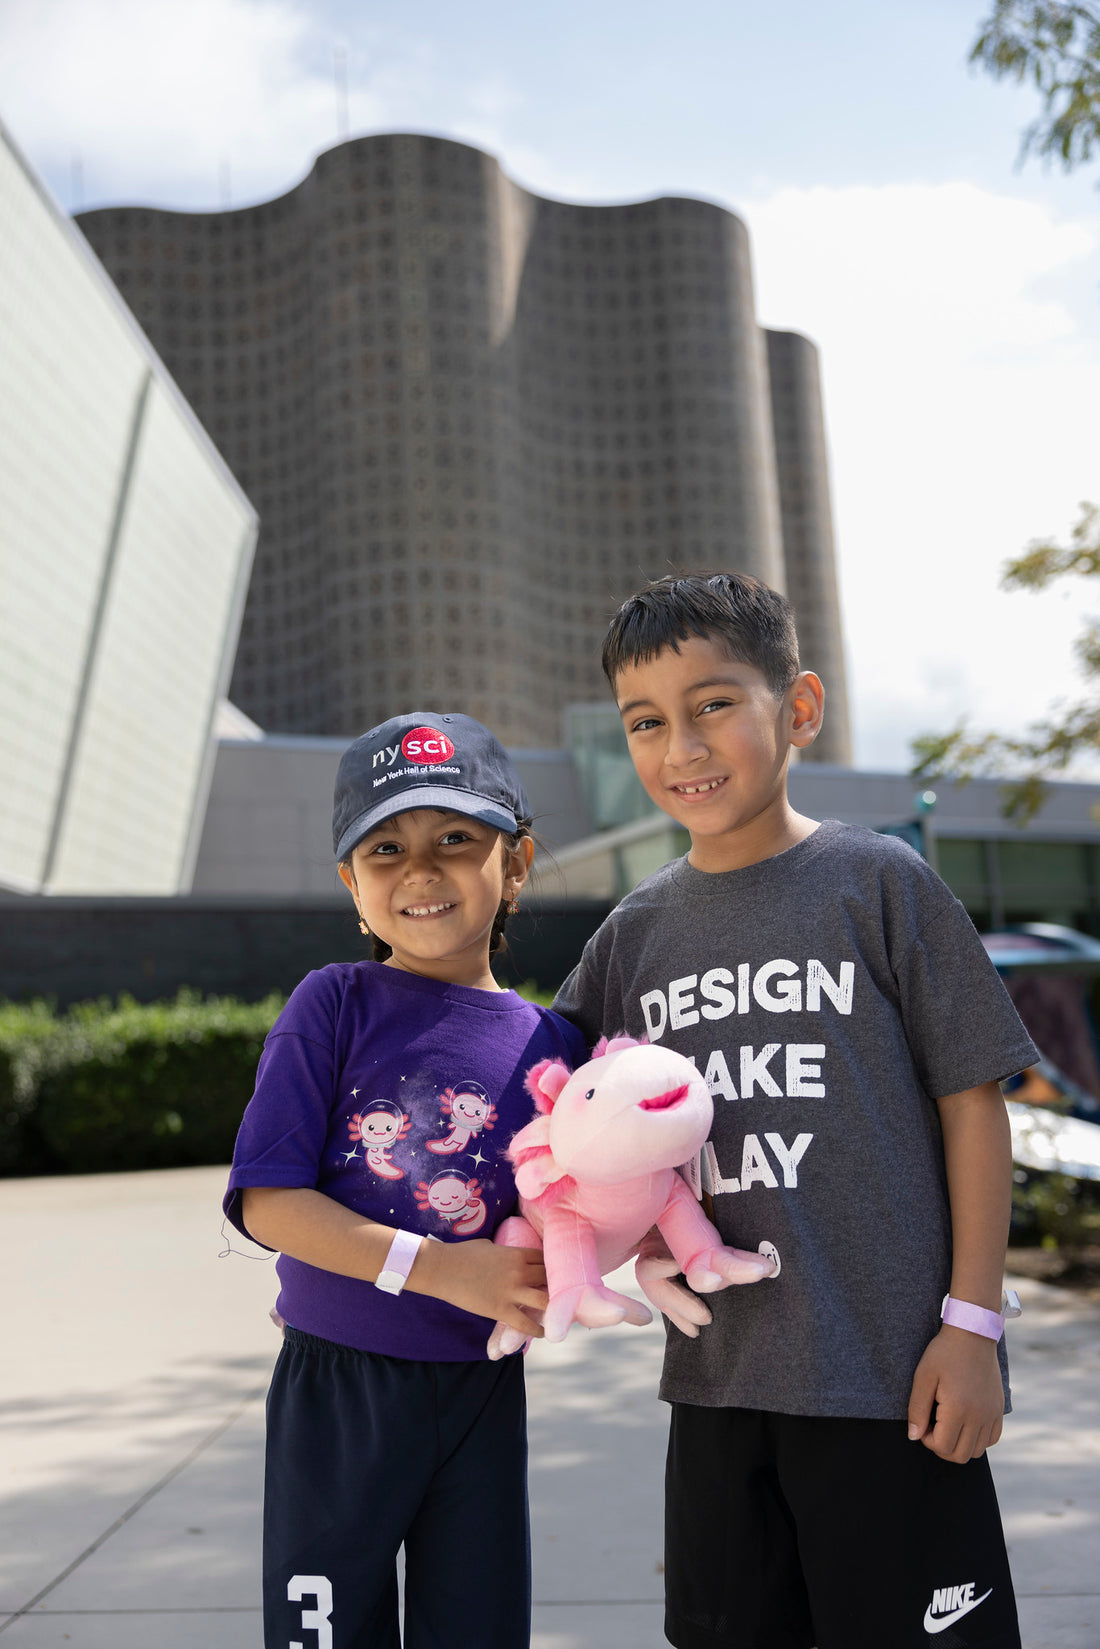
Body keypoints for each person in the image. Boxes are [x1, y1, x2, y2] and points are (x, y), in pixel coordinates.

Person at [552, 573, 1037, 1649]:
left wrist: (970, 1324)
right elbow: (548, 1116)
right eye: (646, 721)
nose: (680, 745)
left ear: (798, 707)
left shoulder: (878, 883)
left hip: (891, 1380)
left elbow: (972, 1103)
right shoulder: (631, 936)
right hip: (720, 1390)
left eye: (712, 703)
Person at [223, 710, 587, 1649]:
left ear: (516, 864)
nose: (421, 870)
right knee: (326, 1629)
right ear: (353, 884)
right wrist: (439, 1269)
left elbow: (582, 1208)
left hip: (478, 1389)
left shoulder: (556, 1046)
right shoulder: (334, 1002)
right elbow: (269, 1199)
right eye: (386, 848)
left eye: (455, 839)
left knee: (478, 1627)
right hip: (338, 1388)